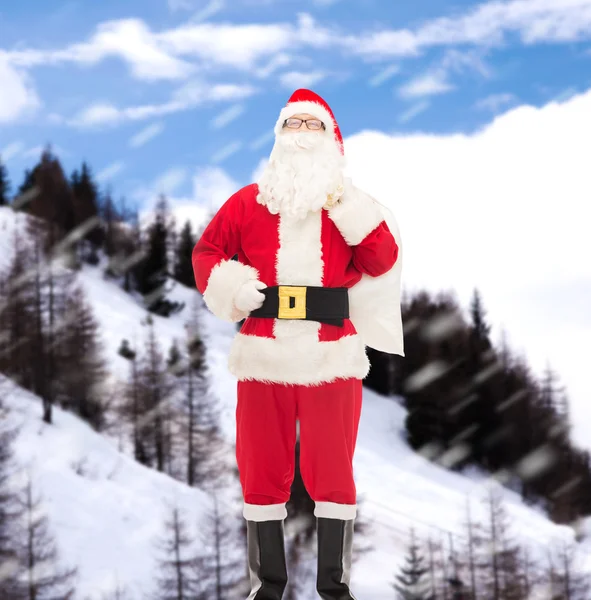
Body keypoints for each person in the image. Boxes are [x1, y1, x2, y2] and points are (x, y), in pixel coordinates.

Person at [192, 88, 404, 599]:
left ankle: (335, 589)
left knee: (333, 472)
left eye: (313, 127)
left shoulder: (353, 206)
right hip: (264, 349)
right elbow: (207, 253)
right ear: (278, 139)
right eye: (293, 126)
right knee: (261, 469)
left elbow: (381, 258)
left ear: (333, 140)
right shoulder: (247, 202)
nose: (301, 136)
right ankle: (266, 588)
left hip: (331, 351)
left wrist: (347, 205)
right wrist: (235, 289)